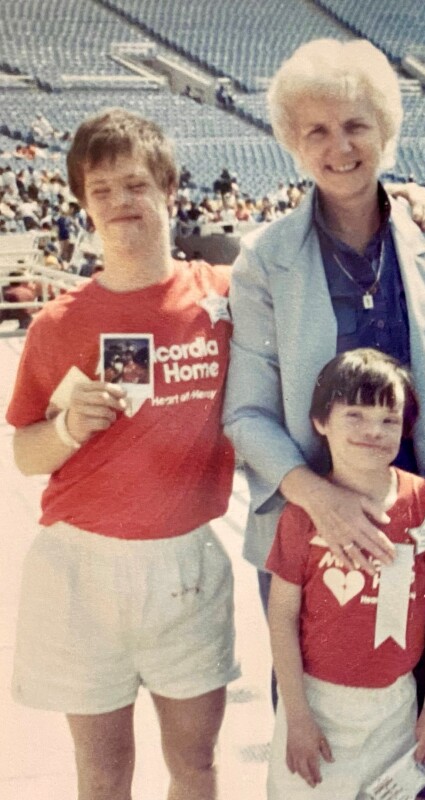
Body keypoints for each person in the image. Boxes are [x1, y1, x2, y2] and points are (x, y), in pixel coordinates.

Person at [222, 37, 425, 793]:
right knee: (323, 763)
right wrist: (319, 496)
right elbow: (245, 413)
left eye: (356, 125)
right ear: (293, 146)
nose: (339, 147)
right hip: (313, 536)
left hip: (422, 529)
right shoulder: (266, 259)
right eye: (317, 131)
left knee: (423, 750)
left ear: (386, 131)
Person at [6, 108, 239, 800]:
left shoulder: (221, 297)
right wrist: (70, 428)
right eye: (100, 191)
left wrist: (401, 196)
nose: (119, 203)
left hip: (186, 564)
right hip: (84, 567)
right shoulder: (60, 323)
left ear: (169, 192)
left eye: (134, 184)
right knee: (103, 774)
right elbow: (24, 453)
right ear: (83, 205)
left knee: (195, 767)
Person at [266, 349, 425, 797]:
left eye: (389, 420)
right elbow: (281, 615)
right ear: (321, 421)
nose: (373, 431)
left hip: (395, 708)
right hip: (317, 706)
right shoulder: (303, 516)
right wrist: (296, 714)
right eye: (354, 415)